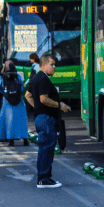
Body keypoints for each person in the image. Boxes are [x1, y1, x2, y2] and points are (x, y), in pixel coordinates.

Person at [24, 54, 70, 189]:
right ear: (43, 64)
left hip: (40, 117)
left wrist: (37, 108)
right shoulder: (43, 79)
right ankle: (44, 179)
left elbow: (28, 96)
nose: (54, 67)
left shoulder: (36, 77)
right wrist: (59, 105)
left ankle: (43, 178)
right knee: (47, 149)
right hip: (46, 119)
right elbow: (43, 99)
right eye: (52, 64)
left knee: (45, 148)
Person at [0, 60, 30, 146]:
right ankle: (25, 139)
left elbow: (0, 88)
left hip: (7, 101)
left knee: (8, 120)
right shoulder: (18, 76)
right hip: (19, 100)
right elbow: (21, 88)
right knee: (21, 120)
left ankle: (10, 139)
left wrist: (6, 93)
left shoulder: (2, 77)